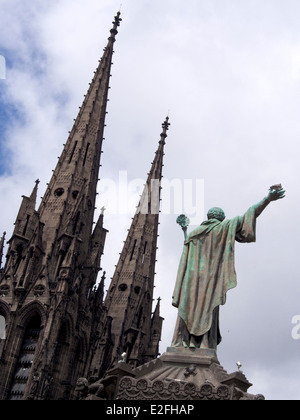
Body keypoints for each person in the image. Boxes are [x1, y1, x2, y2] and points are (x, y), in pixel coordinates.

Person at [171, 185, 285, 349]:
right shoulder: (224, 227)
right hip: (211, 281)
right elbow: (250, 213)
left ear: (208, 216)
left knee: (190, 307)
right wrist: (267, 199)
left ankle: (184, 341)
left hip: (191, 282)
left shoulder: (193, 234)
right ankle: (203, 343)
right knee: (208, 308)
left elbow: (184, 262)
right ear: (221, 218)